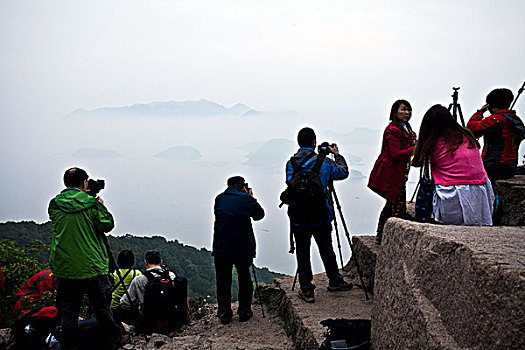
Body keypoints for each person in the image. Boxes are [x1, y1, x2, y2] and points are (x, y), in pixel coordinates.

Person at [48, 167, 123, 350]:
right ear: (84, 183)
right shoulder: (91, 204)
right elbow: (107, 224)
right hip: (92, 267)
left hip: (65, 267)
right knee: (102, 308)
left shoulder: (55, 204)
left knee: (69, 312)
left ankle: (70, 346)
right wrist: (100, 204)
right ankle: (111, 341)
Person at [285, 127, 352, 304]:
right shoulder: (324, 162)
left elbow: (290, 183)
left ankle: (306, 290)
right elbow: (343, 172)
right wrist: (336, 154)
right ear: (314, 142)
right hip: (321, 215)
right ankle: (335, 280)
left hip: (299, 217)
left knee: (302, 251)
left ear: (299, 142)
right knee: (326, 247)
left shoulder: (291, 163)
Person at [413, 105, 494, 225]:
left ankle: (421, 220)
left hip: (453, 200)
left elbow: (417, 162)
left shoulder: (433, 143)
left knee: (426, 179)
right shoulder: (466, 135)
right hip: (481, 198)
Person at [212, 176, 265, 324]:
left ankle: (224, 313)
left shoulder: (219, 199)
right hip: (242, 246)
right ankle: (244, 312)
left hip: (222, 246)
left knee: (223, 280)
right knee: (244, 278)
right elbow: (259, 215)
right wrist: (250, 197)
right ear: (243, 186)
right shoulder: (246, 199)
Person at [368, 100, 417, 244]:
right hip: (391, 174)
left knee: (391, 203)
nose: (407, 113)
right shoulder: (393, 130)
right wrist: (414, 149)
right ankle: (391, 239)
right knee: (397, 206)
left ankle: (381, 234)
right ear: (395, 112)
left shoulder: (405, 128)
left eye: (409, 110)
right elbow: (395, 154)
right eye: (403, 109)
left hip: (399, 173)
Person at [467, 88, 525, 182]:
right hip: (511, 166)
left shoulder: (496, 120)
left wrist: (480, 112)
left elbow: (471, 129)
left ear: (490, 105)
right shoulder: (516, 120)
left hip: (494, 166)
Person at [119, 250, 177, 332]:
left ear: (146, 263)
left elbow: (124, 303)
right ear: (161, 262)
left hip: (149, 322)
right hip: (169, 320)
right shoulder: (171, 276)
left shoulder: (139, 280)